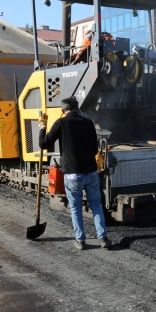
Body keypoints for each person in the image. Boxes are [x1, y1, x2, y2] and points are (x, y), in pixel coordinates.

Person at [38, 97, 112, 250]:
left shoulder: (61, 123)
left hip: (72, 174)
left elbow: (43, 143)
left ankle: (81, 240)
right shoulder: (88, 122)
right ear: (78, 109)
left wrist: (42, 126)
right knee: (96, 205)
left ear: (62, 111)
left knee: (76, 208)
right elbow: (94, 149)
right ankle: (103, 238)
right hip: (91, 172)